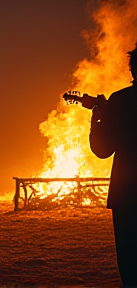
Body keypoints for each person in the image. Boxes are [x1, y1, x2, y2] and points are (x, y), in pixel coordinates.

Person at [89, 43, 137, 287]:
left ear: (133, 71)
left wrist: (97, 119)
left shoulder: (120, 101)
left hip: (128, 195)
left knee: (131, 265)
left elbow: (102, 149)